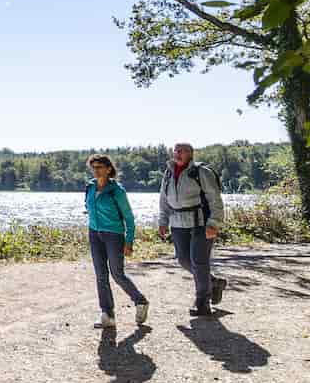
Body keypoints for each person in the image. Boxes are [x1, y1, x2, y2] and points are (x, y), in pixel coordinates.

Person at [157, 141, 227, 317]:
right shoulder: (168, 172)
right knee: (183, 260)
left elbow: (215, 199)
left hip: (201, 224)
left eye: (183, 151)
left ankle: (202, 303)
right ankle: (214, 283)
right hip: (178, 224)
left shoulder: (201, 172)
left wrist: (214, 223)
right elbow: (164, 200)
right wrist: (163, 221)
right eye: (176, 150)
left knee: (199, 262)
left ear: (191, 154)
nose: (178, 154)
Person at [84, 153, 147, 329]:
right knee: (100, 275)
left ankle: (140, 301)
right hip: (94, 234)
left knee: (117, 274)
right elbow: (88, 208)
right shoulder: (89, 187)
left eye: (99, 167)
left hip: (114, 235)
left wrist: (129, 241)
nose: (96, 171)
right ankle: (107, 314)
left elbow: (129, 217)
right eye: (93, 167)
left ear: (108, 169)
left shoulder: (117, 191)